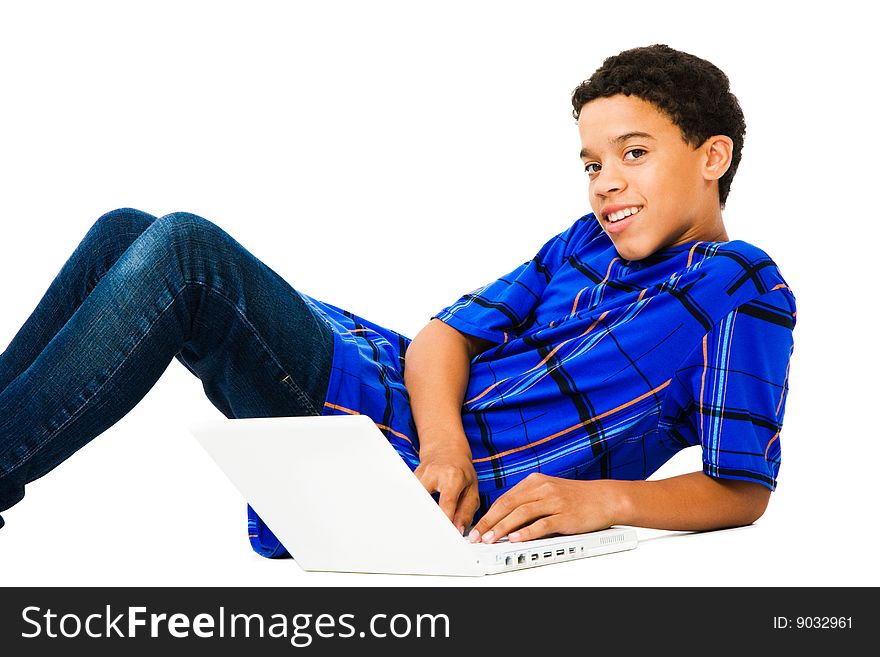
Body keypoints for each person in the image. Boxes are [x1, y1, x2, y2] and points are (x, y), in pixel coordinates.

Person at [0, 44, 795, 561]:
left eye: (633, 153)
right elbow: (442, 335)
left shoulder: (739, 287)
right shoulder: (583, 243)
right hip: (392, 391)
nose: (606, 181)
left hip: (384, 450)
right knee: (124, 233)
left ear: (711, 156)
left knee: (183, 251)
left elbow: (743, 488)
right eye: (591, 162)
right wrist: (445, 445)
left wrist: (602, 498)